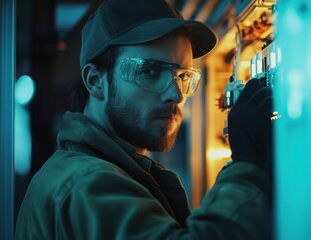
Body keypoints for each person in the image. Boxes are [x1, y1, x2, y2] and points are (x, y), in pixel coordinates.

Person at [15, 0, 274, 239]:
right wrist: (247, 163)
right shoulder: (87, 183)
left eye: (183, 76)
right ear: (96, 82)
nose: (175, 94)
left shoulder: (94, 172)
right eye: (150, 71)